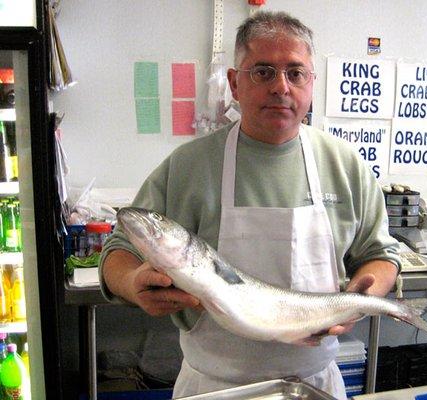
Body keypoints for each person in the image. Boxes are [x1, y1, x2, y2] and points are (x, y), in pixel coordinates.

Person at [99, 10, 400, 399]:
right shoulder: (188, 165)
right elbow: (117, 251)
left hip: (314, 383)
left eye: (295, 73)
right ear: (234, 83)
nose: (281, 87)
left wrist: (365, 294)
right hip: (213, 386)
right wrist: (131, 283)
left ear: (312, 83)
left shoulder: (345, 166)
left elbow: (381, 254)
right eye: (262, 72)